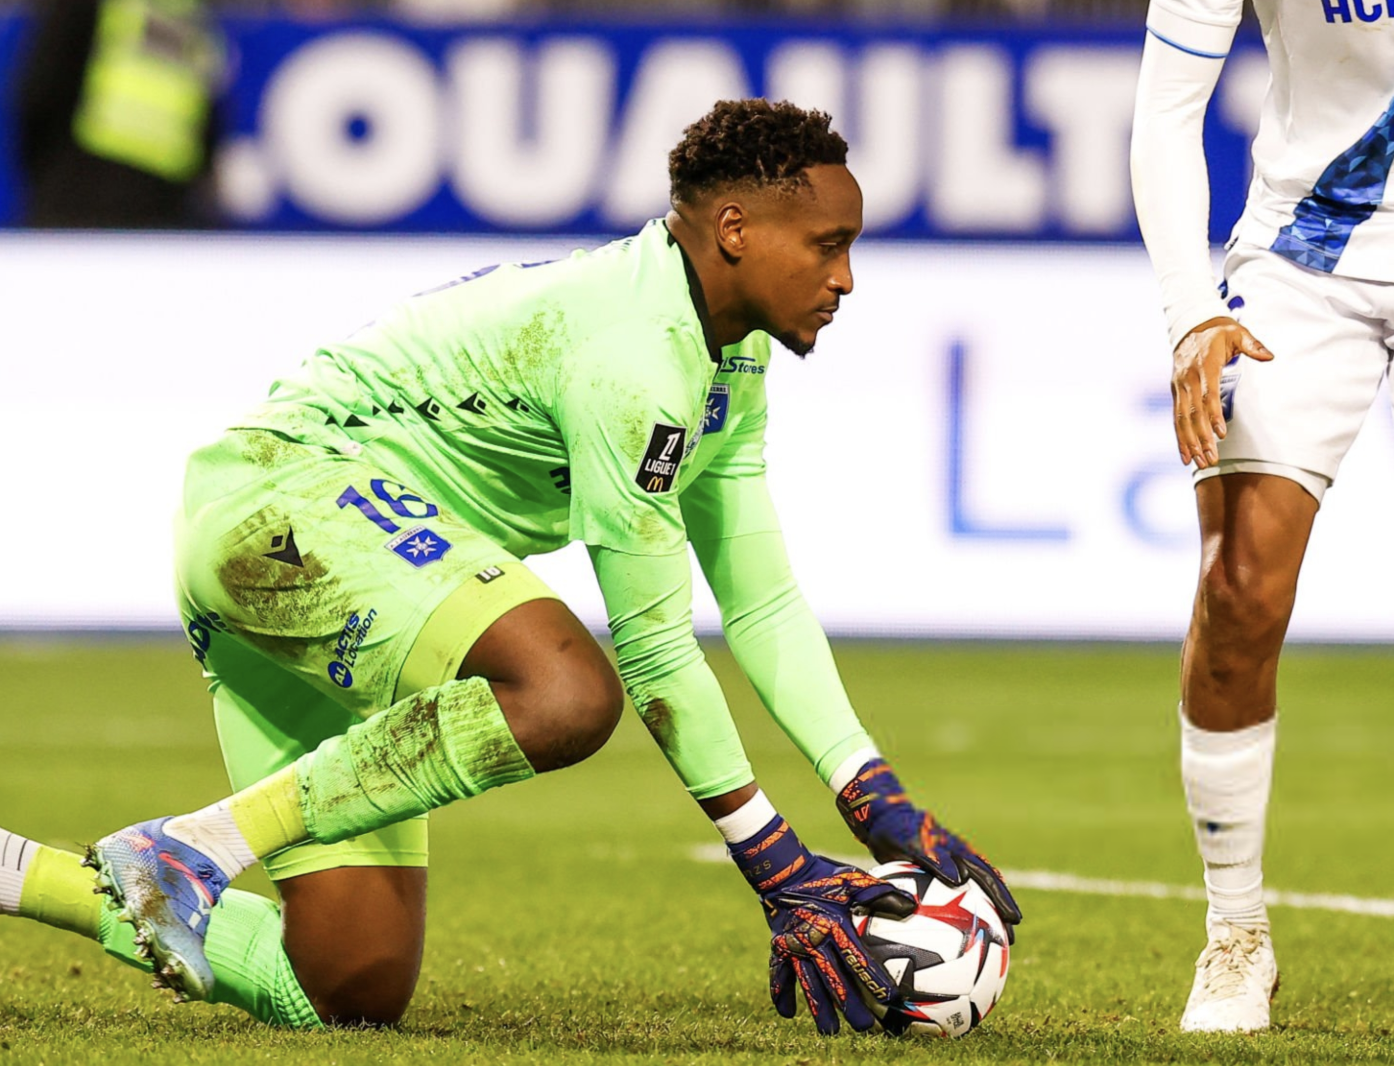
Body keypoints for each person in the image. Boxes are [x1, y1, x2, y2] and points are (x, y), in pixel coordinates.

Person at [0, 99, 1019, 1034]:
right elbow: (657, 642)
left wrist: (868, 792)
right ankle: (203, 844)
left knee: (346, 987)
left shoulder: (727, 356)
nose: (844, 278)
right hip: (284, 504)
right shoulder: (633, 352)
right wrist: (773, 858)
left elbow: (759, 598)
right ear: (735, 232)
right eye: (827, 245)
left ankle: (33, 872)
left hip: (348, 571)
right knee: (567, 688)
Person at [1130, 0, 1393, 1034]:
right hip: (1305, 262)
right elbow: (1163, 115)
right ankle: (1233, 931)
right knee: (1235, 592)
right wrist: (1190, 309)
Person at [12, 0, 223, 227]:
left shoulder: (91, 6)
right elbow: (209, 123)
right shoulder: (195, 18)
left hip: (75, 194)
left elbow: (41, 95)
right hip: (162, 209)